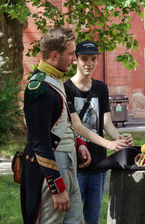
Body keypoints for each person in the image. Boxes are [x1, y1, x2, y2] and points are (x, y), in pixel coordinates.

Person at [20, 28, 92, 224]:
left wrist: (78, 143)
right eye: (70, 54)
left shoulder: (56, 79)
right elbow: (39, 141)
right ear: (54, 55)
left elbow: (60, 124)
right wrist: (56, 187)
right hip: (52, 165)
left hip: (68, 160)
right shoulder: (39, 88)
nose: (74, 59)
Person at [64, 41, 133, 224]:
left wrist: (120, 139)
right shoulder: (66, 88)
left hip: (99, 161)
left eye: (93, 59)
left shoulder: (101, 87)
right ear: (75, 60)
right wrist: (110, 144)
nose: (89, 63)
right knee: (74, 215)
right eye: (84, 59)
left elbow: (106, 123)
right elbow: (76, 126)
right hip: (75, 160)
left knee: (92, 217)